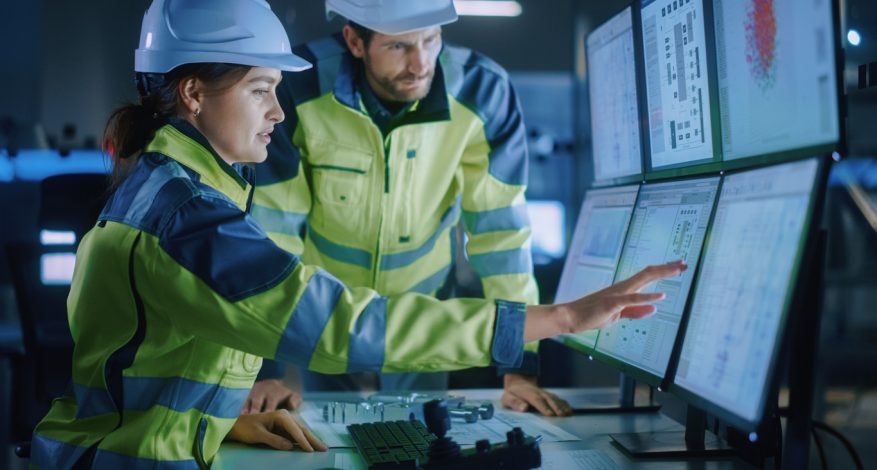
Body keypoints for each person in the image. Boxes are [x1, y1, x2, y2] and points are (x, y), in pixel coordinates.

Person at [30, 0, 686, 467]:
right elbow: (334, 322)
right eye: (260, 89)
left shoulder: (174, 189)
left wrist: (223, 418)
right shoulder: (188, 217)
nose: (277, 112)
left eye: (430, 40)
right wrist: (561, 316)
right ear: (194, 95)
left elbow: (496, 232)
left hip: (160, 437)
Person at [248, 0, 570, 416]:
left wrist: (519, 366)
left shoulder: (482, 91)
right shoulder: (299, 85)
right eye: (398, 47)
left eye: (431, 40)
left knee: (419, 437)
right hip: (323, 303)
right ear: (355, 41)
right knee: (322, 434)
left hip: (424, 307)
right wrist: (265, 367)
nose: (420, 64)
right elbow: (273, 229)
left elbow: (502, 236)